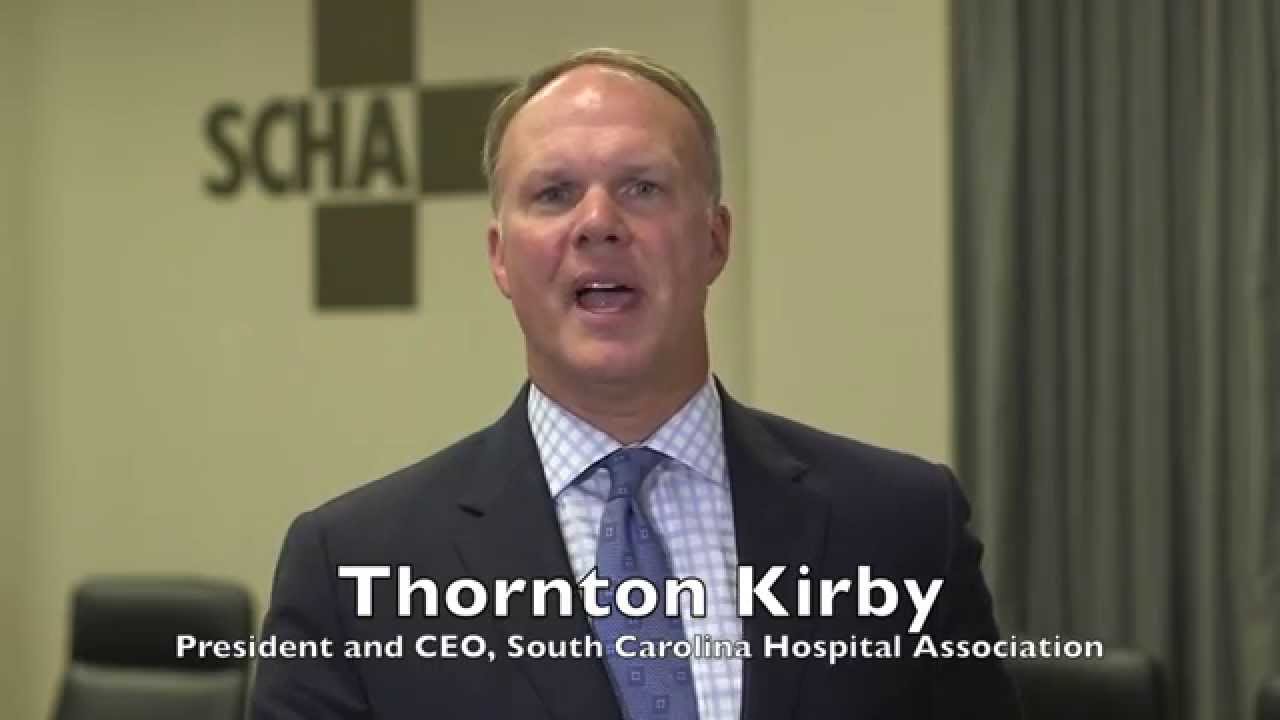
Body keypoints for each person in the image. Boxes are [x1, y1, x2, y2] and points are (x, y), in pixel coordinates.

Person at [251, 48, 1022, 719]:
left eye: (643, 187)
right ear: (499, 257)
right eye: (554, 193)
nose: (598, 222)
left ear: (714, 239)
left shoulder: (902, 527)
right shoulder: (351, 566)